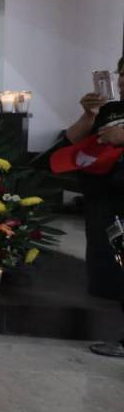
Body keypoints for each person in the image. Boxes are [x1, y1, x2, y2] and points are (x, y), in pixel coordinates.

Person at [55, 56, 124, 356]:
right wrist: (88, 115)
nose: (122, 80)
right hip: (105, 199)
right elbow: (68, 141)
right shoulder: (111, 110)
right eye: (121, 74)